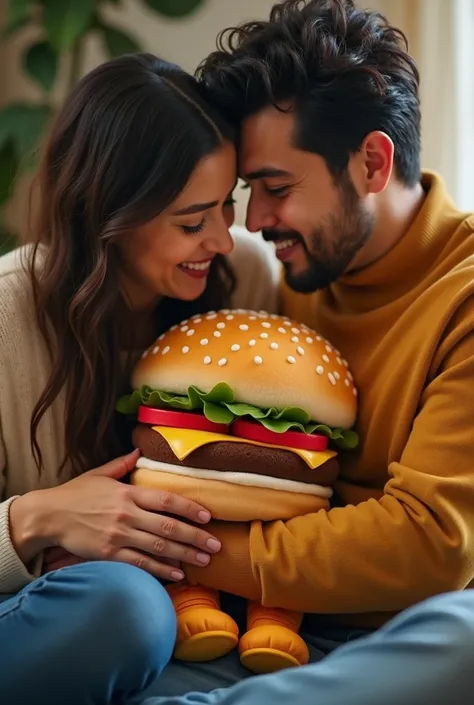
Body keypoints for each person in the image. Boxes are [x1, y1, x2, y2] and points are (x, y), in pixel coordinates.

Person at [134, 0, 474, 700]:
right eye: (246, 193)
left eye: (276, 189)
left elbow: (431, 543)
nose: (253, 223)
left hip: (393, 636)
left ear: (373, 162)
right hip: (237, 621)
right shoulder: (281, 274)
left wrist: (171, 548)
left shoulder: (462, 297)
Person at [0, 52, 278, 705]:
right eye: (190, 221)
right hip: (65, 616)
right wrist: (39, 516)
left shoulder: (250, 282)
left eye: (225, 207)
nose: (221, 240)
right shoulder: (8, 314)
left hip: (199, 623)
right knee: (126, 608)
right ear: (109, 219)